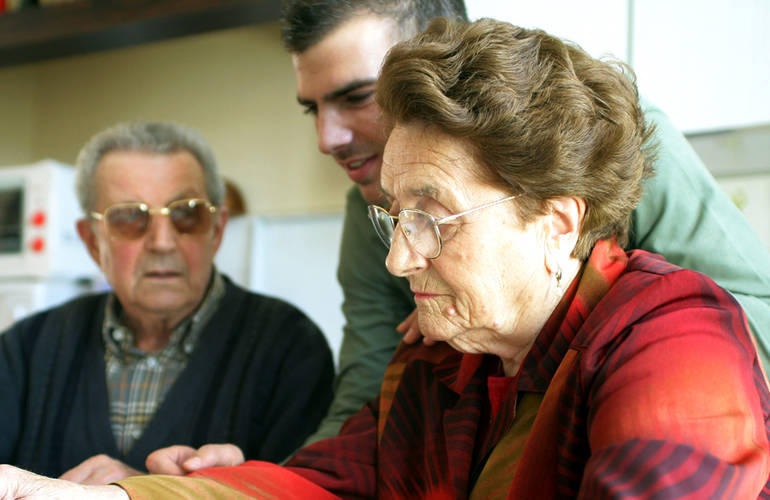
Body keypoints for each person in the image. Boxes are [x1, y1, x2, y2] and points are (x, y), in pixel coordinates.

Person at [3, 17, 769, 499]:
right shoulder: (439, 365)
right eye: (393, 218)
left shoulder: (672, 342)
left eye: (431, 218)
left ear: (556, 224)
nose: (401, 259)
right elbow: (325, 479)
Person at [279, 0, 770, 450]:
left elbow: (752, 322)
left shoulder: (601, 146)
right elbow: (369, 398)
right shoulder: (363, 206)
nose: (327, 138)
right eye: (312, 107)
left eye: (359, 97)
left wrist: (563, 329)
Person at [0, 121, 334, 483]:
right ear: (92, 241)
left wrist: (144, 493)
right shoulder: (27, 349)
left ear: (217, 230)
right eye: (129, 218)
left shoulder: (290, 348)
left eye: (186, 214)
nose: (162, 242)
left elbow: (308, 489)